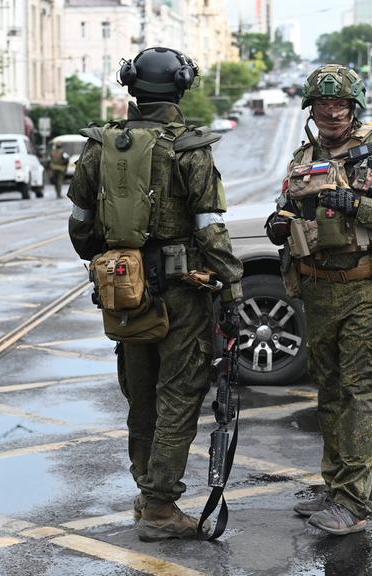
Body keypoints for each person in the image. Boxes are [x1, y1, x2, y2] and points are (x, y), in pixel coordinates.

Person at [67, 46, 243, 541]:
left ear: (131, 85)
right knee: (179, 396)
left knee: (139, 397)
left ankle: (147, 493)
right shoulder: (189, 147)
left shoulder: (100, 146)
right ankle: (162, 510)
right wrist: (232, 293)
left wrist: (117, 260)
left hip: (126, 292)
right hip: (183, 295)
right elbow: (211, 231)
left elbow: (80, 227)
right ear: (182, 87)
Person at [265, 64, 372, 535]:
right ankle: (337, 487)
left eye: (340, 104)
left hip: (367, 289)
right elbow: (288, 208)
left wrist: (357, 205)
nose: (331, 112)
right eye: (322, 104)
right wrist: (278, 223)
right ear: (311, 109)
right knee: (330, 391)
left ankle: (353, 504)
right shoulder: (304, 155)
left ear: (354, 106)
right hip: (317, 289)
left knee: (360, 391)